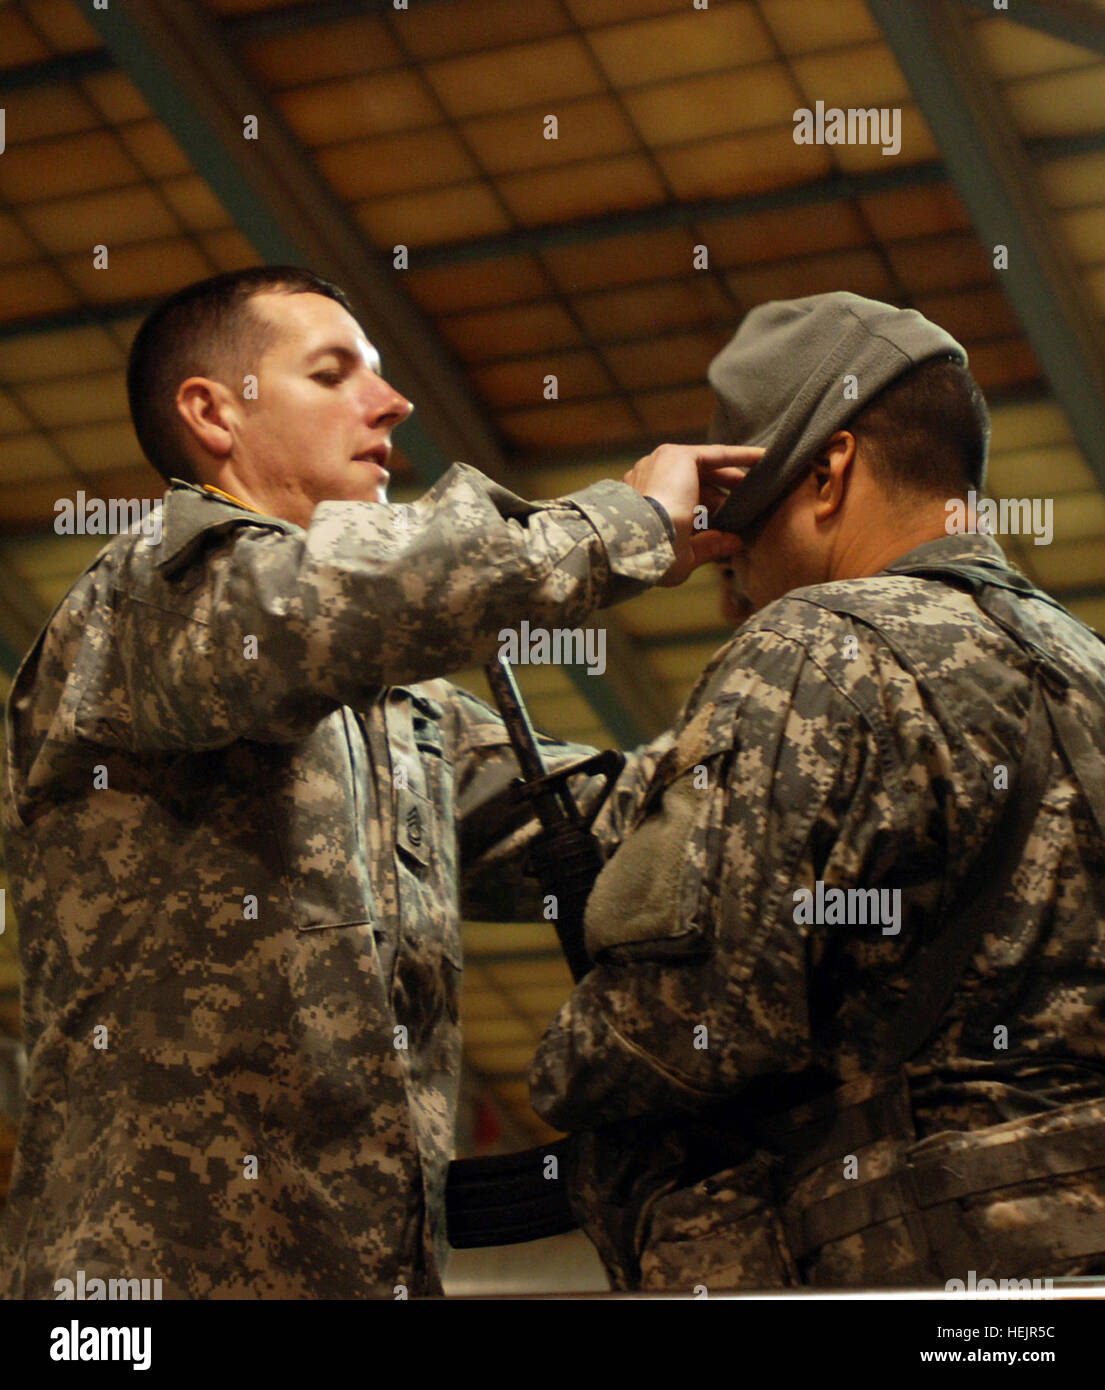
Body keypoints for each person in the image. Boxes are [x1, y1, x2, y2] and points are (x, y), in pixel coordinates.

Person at [0, 265, 751, 1299]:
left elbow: (617, 821)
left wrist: (815, 653)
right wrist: (620, 524)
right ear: (214, 413)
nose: (391, 402)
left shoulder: (400, 718)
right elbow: (353, 595)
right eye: (332, 371)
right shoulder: (150, 600)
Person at [529, 290, 1105, 1292]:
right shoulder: (1085, 664)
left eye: (742, 533)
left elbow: (698, 1021)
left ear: (829, 471)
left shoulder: (817, 647)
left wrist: (565, 1057)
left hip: (908, 1276)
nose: (730, 581)